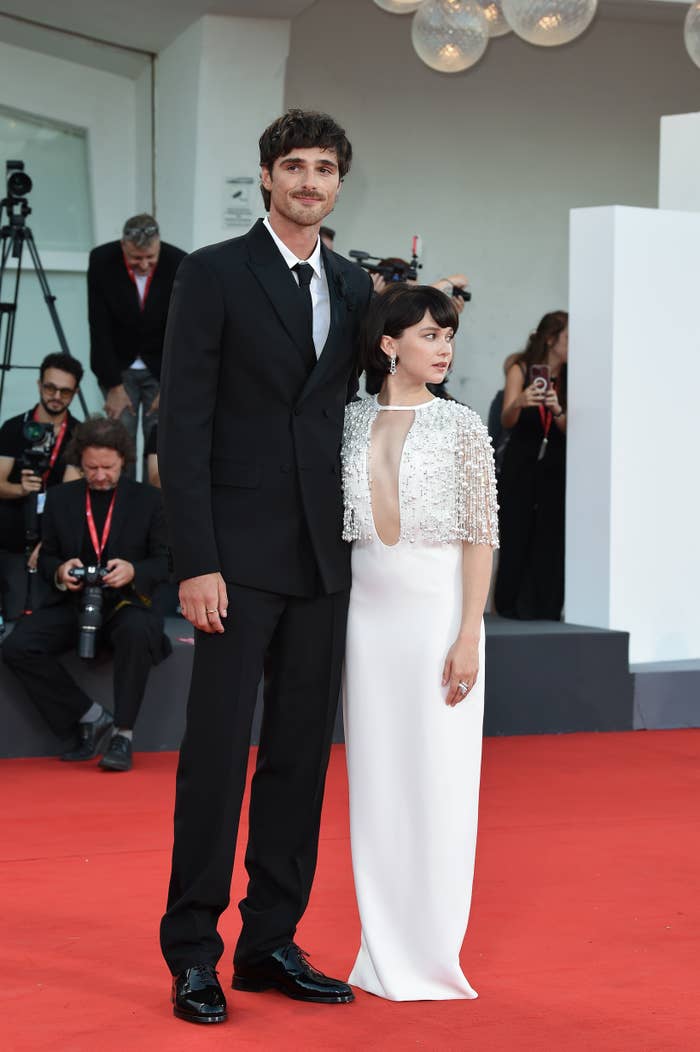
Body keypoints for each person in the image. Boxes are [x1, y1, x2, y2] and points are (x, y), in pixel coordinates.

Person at [158, 108, 372, 1025]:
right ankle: (193, 953)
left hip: (326, 560)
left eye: (325, 167)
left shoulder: (357, 285)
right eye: (295, 166)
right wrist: (195, 560)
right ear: (266, 176)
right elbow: (184, 423)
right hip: (234, 561)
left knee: (298, 759)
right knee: (215, 756)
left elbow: (365, 401)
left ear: (338, 183)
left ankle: (270, 941)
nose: (309, 181)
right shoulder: (210, 273)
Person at [341, 283, 498, 1000]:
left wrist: (469, 633)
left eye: (448, 335)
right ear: (387, 342)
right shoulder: (345, 422)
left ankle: (431, 954)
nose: (444, 348)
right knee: (376, 786)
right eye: (430, 335)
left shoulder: (462, 427)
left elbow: (480, 540)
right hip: (365, 623)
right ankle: (380, 949)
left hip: (439, 618)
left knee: (439, 783)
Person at [1, 417, 171, 772]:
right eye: (90, 467)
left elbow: (166, 562)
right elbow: (45, 558)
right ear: (80, 463)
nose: (98, 475)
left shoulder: (149, 501)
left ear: (123, 460)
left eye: (107, 467)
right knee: (17, 646)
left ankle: (124, 734)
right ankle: (89, 716)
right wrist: (61, 571)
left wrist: (135, 570)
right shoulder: (61, 499)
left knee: (137, 630)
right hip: (74, 602)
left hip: (127, 602)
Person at [87, 215, 186, 469]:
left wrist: (170, 385)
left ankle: (154, 508)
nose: (143, 264)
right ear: (123, 246)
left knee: (160, 447)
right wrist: (113, 385)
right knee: (121, 445)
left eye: (149, 257)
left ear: (159, 246)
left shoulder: (180, 262)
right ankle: (121, 506)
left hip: (162, 368)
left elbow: (184, 332)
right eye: (136, 258)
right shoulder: (101, 260)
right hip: (119, 367)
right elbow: (99, 327)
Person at [494, 310, 568, 620]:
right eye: (568, 339)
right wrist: (521, 401)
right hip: (521, 463)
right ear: (551, 339)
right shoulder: (520, 367)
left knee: (550, 536)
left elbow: (573, 429)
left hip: (556, 464)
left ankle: (547, 607)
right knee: (516, 531)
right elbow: (506, 420)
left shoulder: (573, 376)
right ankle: (508, 606)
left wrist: (557, 409)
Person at [0, 353, 83, 620]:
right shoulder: (14, 427)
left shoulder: (79, 435)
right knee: (13, 613)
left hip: (55, 546)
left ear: (75, 392)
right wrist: (21, 489)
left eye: (65, 391)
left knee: (43, 615)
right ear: (39, 385)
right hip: (11, 537)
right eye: (50, 387)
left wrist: (47, 542)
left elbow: (73, 499)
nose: (56, 395)